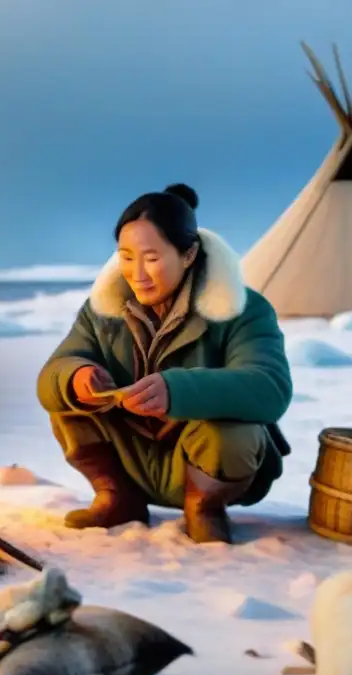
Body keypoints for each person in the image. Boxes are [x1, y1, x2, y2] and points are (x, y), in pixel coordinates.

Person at [36, 184, 292, 544]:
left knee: (233, 430)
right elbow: (52, 374)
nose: (136, 273)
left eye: (151, 259)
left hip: (203, 464)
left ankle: (204, 509)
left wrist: (178, 391)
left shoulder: (242, 309)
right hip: (131, 458)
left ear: (188, 255)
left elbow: (270, 388)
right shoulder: (103, 310)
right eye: (126, 257)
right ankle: (117, 497)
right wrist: (76, 377)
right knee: (65, 399)